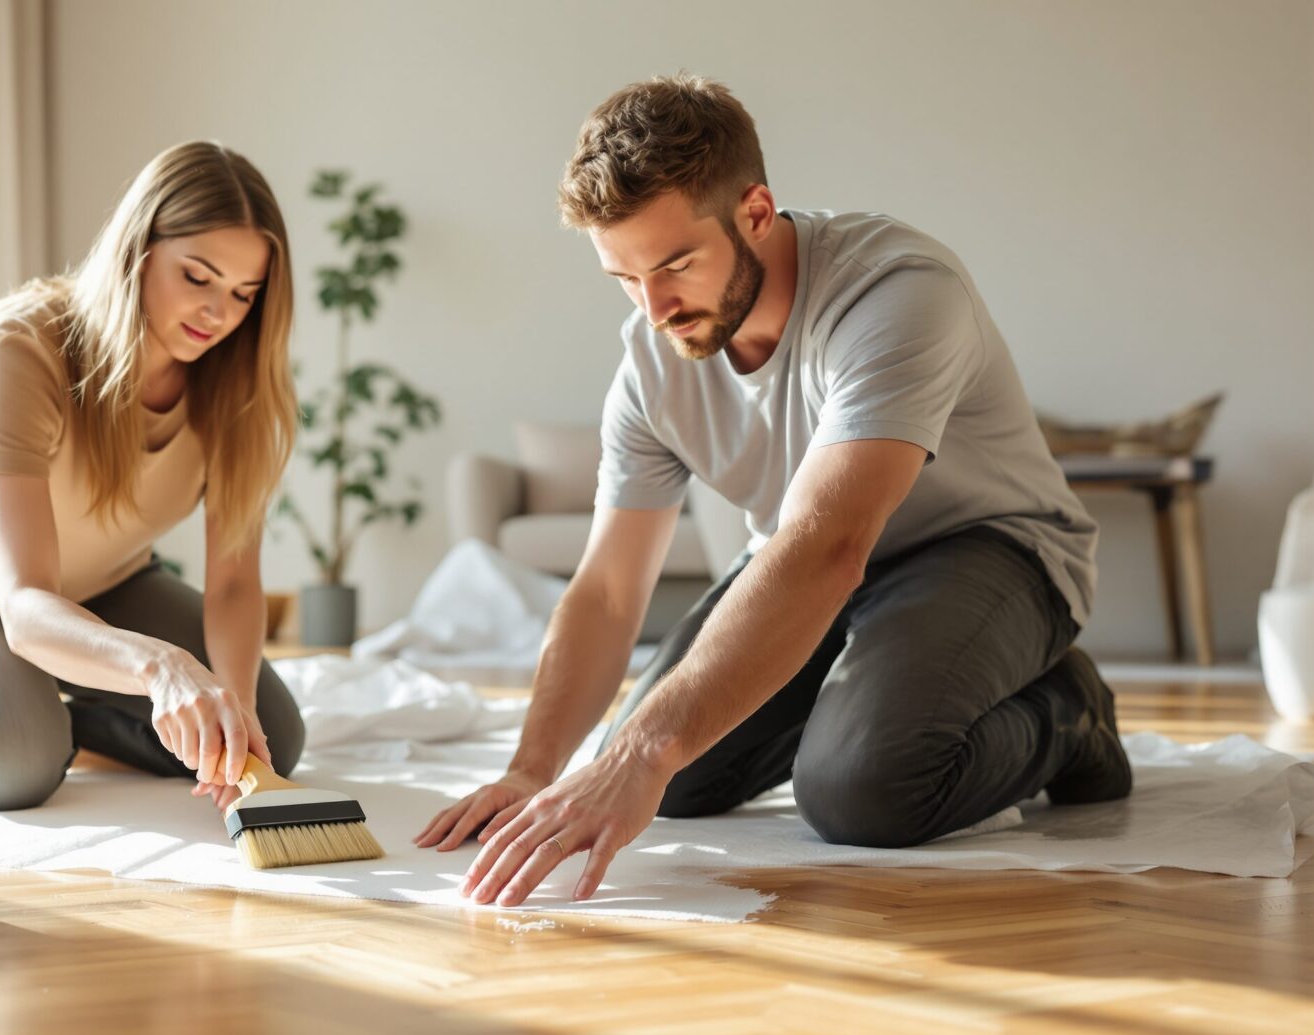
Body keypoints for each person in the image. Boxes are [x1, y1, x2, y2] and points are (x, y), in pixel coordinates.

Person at [417, 73, 1128, 906]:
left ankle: (1072, 710)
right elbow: (608, 590)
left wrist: (645, 749)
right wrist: (531, 769)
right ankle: (875, 697)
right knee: (673, 781)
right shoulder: (651, 362)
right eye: (624, 277)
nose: (655, 308)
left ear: (756, 211)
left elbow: (830, 543)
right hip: (806, 567)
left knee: (861, 788)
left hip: (988, 550)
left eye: (677, 264)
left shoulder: (898, 293)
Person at [0, 141, 302, 812]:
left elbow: (234, 582)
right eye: (197, 277)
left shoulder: (239, 387)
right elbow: (26, 601)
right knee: (13, 767)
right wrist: (160, 666)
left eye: (244, 294)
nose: (219, 314)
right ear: (139, 249)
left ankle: (47, 714)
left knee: (272, 738)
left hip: (101, 588)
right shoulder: (23, 349)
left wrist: (234, 707)